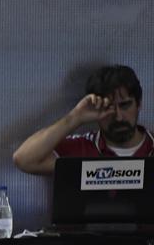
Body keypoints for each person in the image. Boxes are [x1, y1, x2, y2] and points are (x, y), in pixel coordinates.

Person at [13, 64, 152, 174]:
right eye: (108, 108)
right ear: (96, 110)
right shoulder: (82, 148)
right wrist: (76, 116)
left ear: (139, 103)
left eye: (125, 105)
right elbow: (24, 159)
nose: (119, 117)